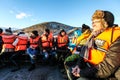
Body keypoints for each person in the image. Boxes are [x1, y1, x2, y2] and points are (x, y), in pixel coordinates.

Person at [72, 10, 120, 80]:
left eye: (96, 21)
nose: (93, 24)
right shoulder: (94, 35)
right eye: (92, 22)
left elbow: (108, 66)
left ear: (105, 22)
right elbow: (84, 53)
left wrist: (82, 73)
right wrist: (78, 66)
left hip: (101, 73)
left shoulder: (116, 37)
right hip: (88, 67)